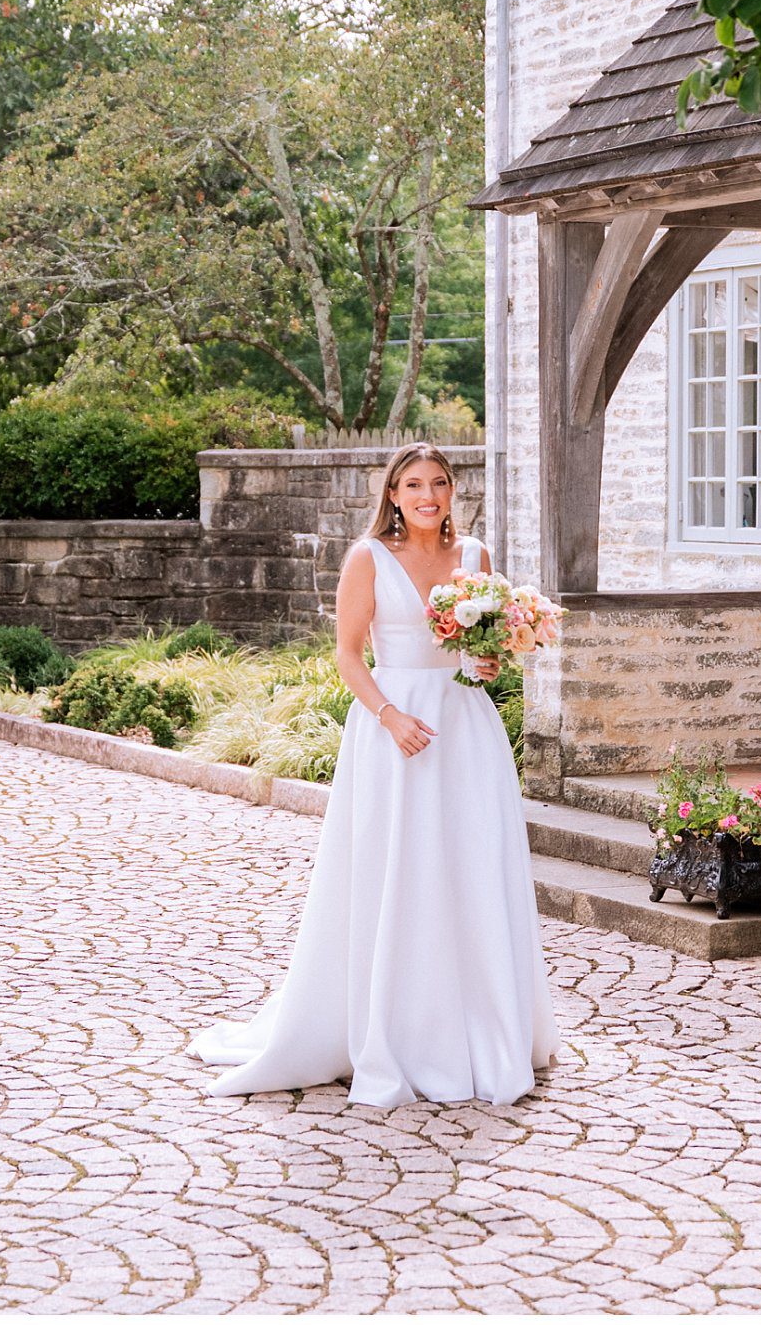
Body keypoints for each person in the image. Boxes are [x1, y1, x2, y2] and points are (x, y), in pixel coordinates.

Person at [186, 441, 563, 1107]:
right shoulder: (368, 559)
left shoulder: (475, 558)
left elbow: (489, 658)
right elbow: (348, 654)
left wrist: (489, 664)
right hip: (393, 732)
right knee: (399, 867)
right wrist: (389, 716)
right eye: (413, 484)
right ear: (393, 494)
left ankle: (485, 1024)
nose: (427, 495)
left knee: (471, 863)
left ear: (451, 491)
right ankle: (392, 1024)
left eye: (439, 483)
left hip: (465, 730)